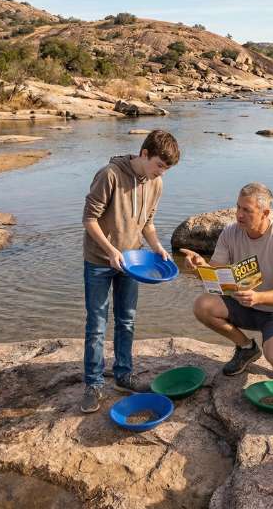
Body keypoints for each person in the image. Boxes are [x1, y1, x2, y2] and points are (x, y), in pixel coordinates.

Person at [80, 130, 180, 413]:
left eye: (167, 169)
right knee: (97, 324)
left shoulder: (155, 183)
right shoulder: (109, 174)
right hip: (100, 260)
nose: (162, 173)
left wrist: (158, 247)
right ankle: (94, 384)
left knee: (126, 320)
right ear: (144, 154)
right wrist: (111, 251)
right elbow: (89, 219)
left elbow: (147, 223)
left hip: (132, 262)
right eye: (159, 165)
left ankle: (123, 375)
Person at [184, 183, 273, 379]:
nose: (239, 214)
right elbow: (213, 273)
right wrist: (199, 266)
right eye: (238, 207)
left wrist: (258, 297)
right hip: (246, 304)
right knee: (203, 305)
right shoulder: (231, 232)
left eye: (246, 210)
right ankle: (246, 347)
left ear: (265, 213)